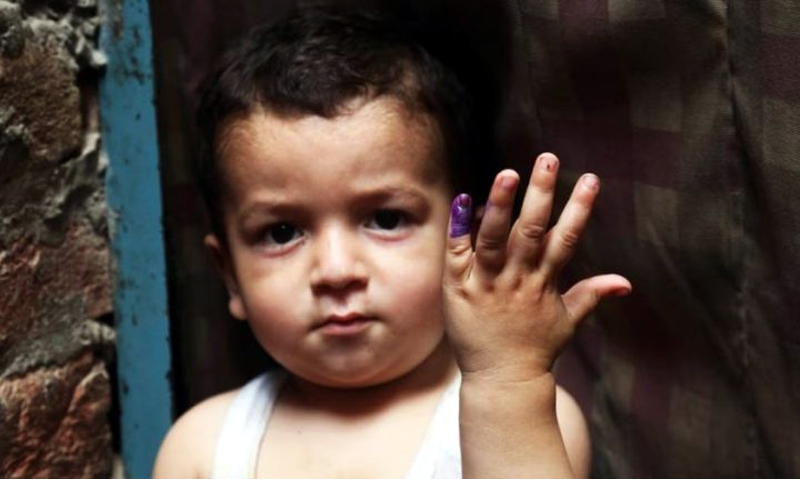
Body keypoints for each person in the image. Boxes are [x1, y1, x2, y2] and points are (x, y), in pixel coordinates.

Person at [153, 6, 631, 478]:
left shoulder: (525, 414)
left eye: (386, 219)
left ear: (466, 244)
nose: (337, 270)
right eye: (282, 232)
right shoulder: (203, 447)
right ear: (230, 275)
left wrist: (508, 380)